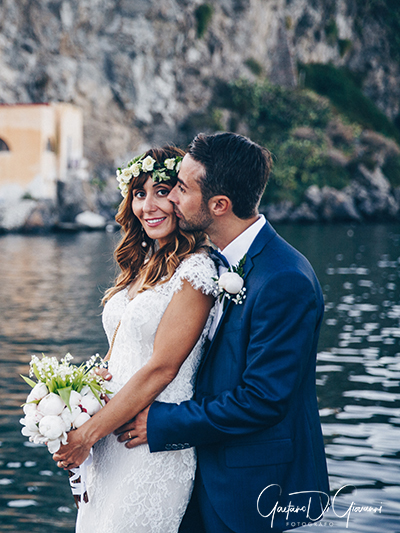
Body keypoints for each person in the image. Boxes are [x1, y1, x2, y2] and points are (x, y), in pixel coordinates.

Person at [115, 132, 330, 532]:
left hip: (249, 490)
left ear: (218, 205)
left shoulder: (284, 278)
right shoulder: (209, 262)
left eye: (181, 188)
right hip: (195, 471)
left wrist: (162, 422)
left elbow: (262, 400)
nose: (171, 198)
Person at [53, 146, 218, 532]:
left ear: (181, 197)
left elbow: (161, 368)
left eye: (162, 191)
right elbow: (115, 356)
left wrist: (88, 435)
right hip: (110, 439)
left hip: (148, 442)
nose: (149, 205)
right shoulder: (140, 265)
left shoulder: (196, 271)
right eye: (139, 194)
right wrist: (70, 412)